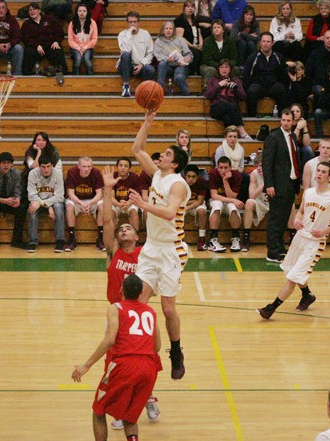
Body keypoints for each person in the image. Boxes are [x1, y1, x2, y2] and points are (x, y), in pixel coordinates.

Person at [128, 111, 191, 380]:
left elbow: (169, 212)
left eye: (166, 154)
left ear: (174, 164)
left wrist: (143, 205)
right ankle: (143, 350)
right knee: (140, 302)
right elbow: (136, 149)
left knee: (167, 309)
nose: (160, 156)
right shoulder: (157, 176)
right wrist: (148, 122)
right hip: (151, 247)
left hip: (171, 249)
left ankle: (176, 351)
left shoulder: (178, 185)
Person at [101, 165, 160, 430]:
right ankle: (120, 408)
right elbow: (107, 220)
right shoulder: (113, 252)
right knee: (113, 363)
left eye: (128, 229)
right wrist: (108, 189)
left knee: (147, 361)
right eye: (120, 229)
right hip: (117, 313)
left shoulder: (145, 254)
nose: (123, 230)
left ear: (137, 235)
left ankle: (147, 397)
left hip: (139, 314)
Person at [71, 274, 162, 441]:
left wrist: (87, 364)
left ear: (121, 289)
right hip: (149, 368)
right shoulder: (151, 312)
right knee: (130, 418)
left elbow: (110, 339)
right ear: (141, 292)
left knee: (99, 410)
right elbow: (157, 347)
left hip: (125, 365)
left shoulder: (116, 308)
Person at [256, 161, 330, 318]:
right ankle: (307, 295)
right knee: (294, 271)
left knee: (293, 278)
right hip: (300, 237)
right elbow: (301, 211)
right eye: (318, 170)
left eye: (323, 172)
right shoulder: (308, 192)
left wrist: (325, 231)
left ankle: (270, 308)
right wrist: (297, 219)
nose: (319, 174)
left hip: (315, 242)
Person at [262, 108, 301, 263]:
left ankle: (279, 247)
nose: (285, 123)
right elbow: (267, 163)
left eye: (288, 120)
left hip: (290, 184)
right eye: (283, 120)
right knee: (275, 219)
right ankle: (272, 251)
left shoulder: (292, 136)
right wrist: (269, 185)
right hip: (277, 185)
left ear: (293, 121)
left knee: (284, 218)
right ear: (280, 121)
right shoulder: (273, 137)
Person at [0, 151, 27, 254]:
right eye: (3, 163)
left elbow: (17, 190)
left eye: (8, 162)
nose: (6, 165)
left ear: (12, 164)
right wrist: (3, 200)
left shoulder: (16, 173)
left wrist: (17, 199)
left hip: (9, 200)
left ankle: (16, 240)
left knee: (22, 207)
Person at [242, 32, 288, 118]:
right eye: (263, 41)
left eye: (268, 41)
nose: (265, 44)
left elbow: (284, 75)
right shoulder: (252, 57)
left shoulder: (279, 57)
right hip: (258, 86)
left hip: (273, 86)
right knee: (252, 90)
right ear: (260, 43)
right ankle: (251, 117)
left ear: (272, 43)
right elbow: (246, 75)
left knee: (281, 88)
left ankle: (282, 117)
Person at [65, 156, 105, 251]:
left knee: (102, 206)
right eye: (84, 166)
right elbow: (70, 193)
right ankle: (71, 239)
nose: (86, 169)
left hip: (92, 199)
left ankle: (100, 238)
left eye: (89, 166)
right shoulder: (71, 172)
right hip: (77, 200)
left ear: (92, 166)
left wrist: (90, 203)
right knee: (69, 207)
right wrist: (80, 203)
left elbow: (99, 193)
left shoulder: (96, 173)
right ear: (78, 166)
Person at [26, 155, 65, 253]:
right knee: (32, 209)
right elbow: (31, 195)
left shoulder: (58, 173)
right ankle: (32, 241)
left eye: (48, 166)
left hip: (52, 202)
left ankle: (59, 241)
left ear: (52, 166)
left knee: (59, 207)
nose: (46, 169)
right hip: (38, 201)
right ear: (39, 167)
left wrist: (45, 204)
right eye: (43, 167)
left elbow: (60, 196)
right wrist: (43, 204)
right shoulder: (32, 174)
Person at [205, 59, 249, 138]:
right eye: (221, 67)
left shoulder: (235, 80)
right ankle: (242, 131)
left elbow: (243, 97)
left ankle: (230, 137)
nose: (224, 69)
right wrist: (219, 85)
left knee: (227, 118)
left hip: (232, 109)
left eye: (226, 67)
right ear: (218, 69)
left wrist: (235, 89)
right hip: (217, 107)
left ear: (230, 69)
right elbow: (208, 95)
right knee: (231, 106)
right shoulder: (213, 79)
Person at [207, 156, 244, 252]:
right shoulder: (213, 173)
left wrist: (225, 181)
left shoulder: (236, 175)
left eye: (226, 168)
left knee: (233, 207)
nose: (223, 170)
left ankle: (236, 238)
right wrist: (233, 200)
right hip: (217, 200)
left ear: (230, 168)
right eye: (221, 167)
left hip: (229, 200)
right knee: (217, 205)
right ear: (217, 168)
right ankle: (213, 239)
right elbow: (214, 196)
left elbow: (232, 196)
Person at [20, 2, 67, 76]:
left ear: (39, 11)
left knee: (58, 50)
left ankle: (62, 76)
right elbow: (25, 38)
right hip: (36, 48)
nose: (32, 11)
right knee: (28, 51)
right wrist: (36, 45)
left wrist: (56, 41)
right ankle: (26, 76)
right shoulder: (26, 24)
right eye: (30, 10)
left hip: (51, 45)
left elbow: (60, 32)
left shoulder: (49, 19)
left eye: (34, 9)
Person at [117, 11, 156, 98]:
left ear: (139, 23)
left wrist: (142, 64)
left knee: (150, 69)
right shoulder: (122, 35)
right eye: (130, 22)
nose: (133, 24)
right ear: (127, 23)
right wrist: (129, 34)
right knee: (125, 55)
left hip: (140, 65)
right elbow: (124, 50)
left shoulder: (145, 34)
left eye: (135, 22)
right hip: (125, 66)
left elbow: (150, 53)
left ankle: (144, 90)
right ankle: (126, 86)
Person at [154, 21, 193, 96]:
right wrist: (167, 58)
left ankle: (187, 94)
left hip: (179, 66)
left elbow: (189, 54)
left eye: (170, 28)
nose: (168, 30)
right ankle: (159, 92)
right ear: (163, 30)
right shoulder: (158, 41)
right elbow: (157, 55)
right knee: (161, 64)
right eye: (166, 28)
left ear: (173, 30)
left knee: (178, 77)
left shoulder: (180, 40)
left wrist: (187, 58)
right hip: (167, 66)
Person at [242, 153, 269, 252]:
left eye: (261, 165)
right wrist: (264, 185)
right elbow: (252, 195)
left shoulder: (276, 173)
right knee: (249, 202)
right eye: (256, 165)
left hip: (273, 202)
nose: (258, 168)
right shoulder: (254, 174)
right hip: (260, 202)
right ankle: (246, 237)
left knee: (290, 205)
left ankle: (292, 236)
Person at [200, 20, 238, 86]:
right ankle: (208, 90)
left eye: (219, 27)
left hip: (226, 65)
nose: (216, 29)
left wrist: (226, 66)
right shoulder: (207, 41)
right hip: (209, 65)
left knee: (236, 69)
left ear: (223, 30)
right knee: (211, 70)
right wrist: (221, 67)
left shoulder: (230, 41)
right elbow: (208, 60)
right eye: (214, 28)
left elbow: (234, 58)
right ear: (212, 31)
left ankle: (234, 90)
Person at [111, 157, 142, 233]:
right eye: (121, 165)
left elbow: (135, 195)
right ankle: (111, 236)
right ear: (117, 167)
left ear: (129, 168)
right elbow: (111, 197)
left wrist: (128, 203)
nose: (123, 168)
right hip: (116, 203)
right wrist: (118, 204)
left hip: (130, 202)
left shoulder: (134, 177)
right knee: (110, 213)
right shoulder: (112, 177)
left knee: (133, 211)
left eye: (125, 166)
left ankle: (135, 235)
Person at [67, 3, 98, 75]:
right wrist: (78, 48)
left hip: (88, 48)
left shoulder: (92, 23)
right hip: (75, 48)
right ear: (77, 12)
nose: (82, 13)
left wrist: (85, 48)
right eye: (80, 11)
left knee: (87, 61)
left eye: (84, 11)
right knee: (78, 59)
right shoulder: (72, 23)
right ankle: (75, 80)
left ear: (87, 12)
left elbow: (94, 39)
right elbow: (70, 40)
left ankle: (91, 80)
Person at [174, 1, 204, 76]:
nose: (190, 9)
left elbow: (199, 33)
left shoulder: (195, 20)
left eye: (192, 7)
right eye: (188, 7)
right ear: (184, 8)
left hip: (195, 45)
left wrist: (201, 44)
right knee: (194, 52)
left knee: (204, 50)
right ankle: (192, 74)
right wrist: (192, 45)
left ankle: (200, 73)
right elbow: (180, 37)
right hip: (185, 46)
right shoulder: (179, 20)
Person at [184, 165, 209, 251]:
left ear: (197, 177)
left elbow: (200, 201)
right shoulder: (180, 182)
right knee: (176, 213)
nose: (191, 179)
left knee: (202, 211)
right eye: (189, 176)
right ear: (185, 176)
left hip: (193, 205)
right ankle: (177, 239)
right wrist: (192, 202)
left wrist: (187, 207)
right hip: (185, 204)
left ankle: (202, 239)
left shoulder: (201, 181)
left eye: (193, 177)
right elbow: (179, 201)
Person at [290, 103, 313, 167]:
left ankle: (305, 172)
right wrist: (298, 128)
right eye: (293, 111)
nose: (295, 113)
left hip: (302, 148)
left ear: (301, 114)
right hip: (290, 148)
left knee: (308, 149)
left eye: (297, 111)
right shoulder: (287, 124)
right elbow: (292, 142)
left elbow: (307, 144)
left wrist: (305, 127)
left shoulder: (304, 124)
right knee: (296, 149)